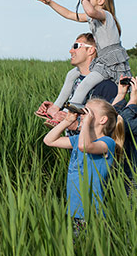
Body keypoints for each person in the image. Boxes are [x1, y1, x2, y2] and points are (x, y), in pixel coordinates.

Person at [35, 0, 131, 109]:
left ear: (101, 1)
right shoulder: (93, 18)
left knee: (84, 85)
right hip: (101, 60)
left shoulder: (105, 15)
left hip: (111, 63)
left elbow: (90, 11)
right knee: (71, 75)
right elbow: (69, 14)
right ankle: (55, 108)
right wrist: (50, 2)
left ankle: (69, 114)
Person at [43, 98, 124, 231]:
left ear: (102, 120)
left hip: (93, 210)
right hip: (75, 208)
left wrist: (85, 122)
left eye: (89, 112)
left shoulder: (107, 142)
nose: (83, 115)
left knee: (91, 247)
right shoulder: (78, 140)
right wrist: (67, 121)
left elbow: (85, 146)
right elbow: (49, 140)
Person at [35, 32, 118, 128]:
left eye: (76, 46)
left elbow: (107, 126)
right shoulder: (75, 80)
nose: (71, 51)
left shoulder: (107, 86)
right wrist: (54, 111)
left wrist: (70, 121)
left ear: (90, 50)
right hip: (70, 142)